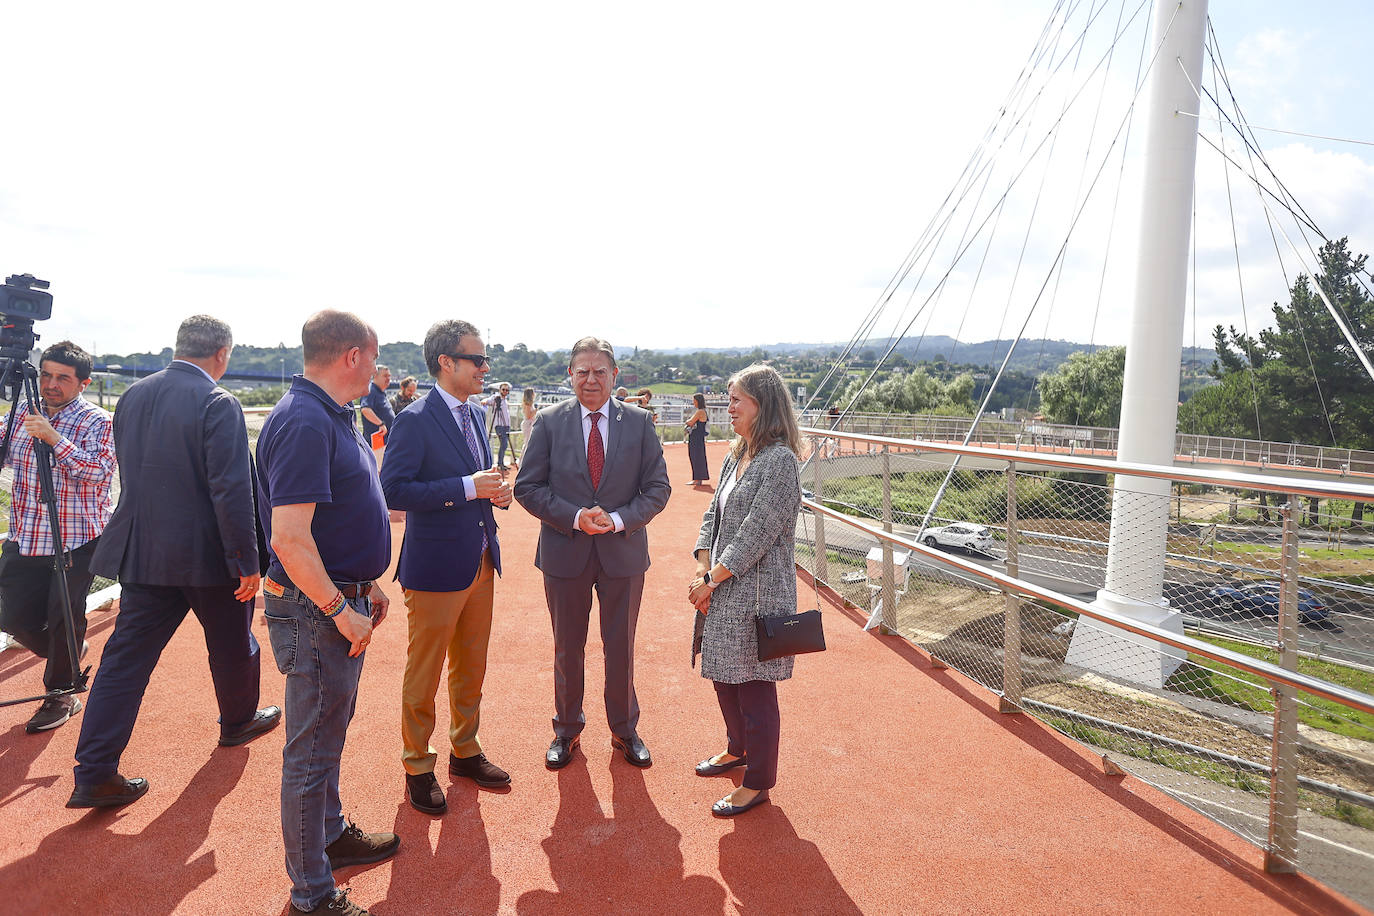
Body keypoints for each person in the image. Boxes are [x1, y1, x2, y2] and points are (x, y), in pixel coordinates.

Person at [69, 317, 278, 808]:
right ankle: (237, 720)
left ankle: (94, 770)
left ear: (179, 346)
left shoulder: (132, 396)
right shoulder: (217, 402)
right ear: (222, 354)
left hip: (143, 552)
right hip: (209, 557)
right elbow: (230, 489)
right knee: (232, 645)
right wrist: (247, 561)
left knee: (123, 663)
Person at [257, 310, 398, 916]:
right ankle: (311, 894)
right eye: (375, 355)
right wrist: (342, 608)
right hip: (319, 612)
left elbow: (338, 514)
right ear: (352, 356)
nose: (379, 367)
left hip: (340, 598)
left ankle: (332, 837)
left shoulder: (328, 415)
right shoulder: (305, 422)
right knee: (311, 750)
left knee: (326, 738)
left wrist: (367, 585)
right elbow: (289, 537)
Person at [513, 337, 670, 770]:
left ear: (615, 376)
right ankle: (566, 730)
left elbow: (658, 489)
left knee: (621, 646)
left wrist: (618, 520)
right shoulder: (548, 422)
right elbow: (527, 488)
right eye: (582, 371)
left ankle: (624, 730)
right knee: (568, 647)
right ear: (570, 375)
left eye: (600, 371)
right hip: (566, 552)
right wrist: (575, 516)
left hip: (623, 553)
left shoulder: (638, 422)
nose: (591, 379)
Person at [380, 320, 513, 816]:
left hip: (480, 559)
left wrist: (493, 492)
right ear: (447, 363)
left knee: (471, 665)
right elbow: (393, 490)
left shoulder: (476, 415)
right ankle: (417, 764)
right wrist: (467, 488)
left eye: (484, 359)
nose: (485, 367)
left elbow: (476, 480)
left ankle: (465, 749)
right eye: (477, 359)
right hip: (435, 567)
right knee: (425, 670)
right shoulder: (414, 420)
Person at [687, 364, 803, 818]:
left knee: (754, 688)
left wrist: (711, 578)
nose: (728, 407)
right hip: (719, 585)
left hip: (756, 594)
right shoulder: (738, 453)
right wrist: (702, 567)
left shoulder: (780, 461)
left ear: (763, 405)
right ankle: (737, 748)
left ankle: (758, 782)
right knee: (722, 674)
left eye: (737, 399)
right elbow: (713, 517)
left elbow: (757, 531)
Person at [0, 341, 113, 735]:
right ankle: (66, 656)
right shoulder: (20, 414)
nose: (51, 384)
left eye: (62, 378)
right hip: (25, 534)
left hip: (75, 539)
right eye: (45, 374)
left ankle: (61, 692)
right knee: (10, 615)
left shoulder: (99, 421)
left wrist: (53, 438)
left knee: (64, 617)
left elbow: (99, 473)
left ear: (84, 383)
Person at [359, 363, 394, 451]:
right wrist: (381, 424)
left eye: (389, 376)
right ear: (375, 375)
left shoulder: (380, 392)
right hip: (376, 443)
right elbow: (365, 409)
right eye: (385, 376)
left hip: (385, 442)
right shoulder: (371, 390)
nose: (388, 379)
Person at [481, 382, 513, 470]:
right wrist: (484, 403)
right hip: (499, 425)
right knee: (504, 444)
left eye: (507, 390)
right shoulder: (496, 398)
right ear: (500, 390)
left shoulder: (505, 400)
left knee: (504, 445)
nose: (505, 391)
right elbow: (485, 401)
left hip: (506, 425)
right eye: (503, 389)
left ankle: (501, 463)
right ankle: (500, 464)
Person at [684, 392, 710, 485]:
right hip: (699, 437)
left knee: (695, 456)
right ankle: (698, 478)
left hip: (696, 437)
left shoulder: (700, 411)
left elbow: (690, 422)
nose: (693, 402)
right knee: (699, 456)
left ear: (698, 401)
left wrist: (687, 421)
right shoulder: (703, 411)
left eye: (694, 401)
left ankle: (697, 479)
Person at [520, 387, 537, 451]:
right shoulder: (527, 404)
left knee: (528, 443)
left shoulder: (529, 404)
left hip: (529, 424)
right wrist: (535, 411)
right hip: (528, 424)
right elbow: (528, 416)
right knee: (527, 443)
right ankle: (523, 459)